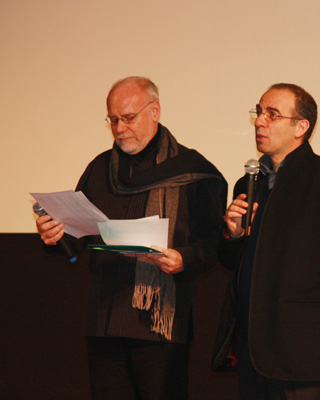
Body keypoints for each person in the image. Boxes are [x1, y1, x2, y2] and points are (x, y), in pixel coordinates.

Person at [35, 76, 227, 400]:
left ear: (155, 111)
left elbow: (213, 243)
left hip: (160, 326)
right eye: (113, 119)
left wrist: (183, 260)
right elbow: (76, 238)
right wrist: (54, 235)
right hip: (104, 320)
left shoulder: (193, 171)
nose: (120, 128)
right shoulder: (99, 169)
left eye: (129, 118)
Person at [212, 83, 320, 399]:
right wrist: (231, 235)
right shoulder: (248, 182)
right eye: (258, 112)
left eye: (272, 114)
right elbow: (234, 264)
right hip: (253, 351)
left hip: (303, 357)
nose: (259, 121)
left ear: (301, 127)